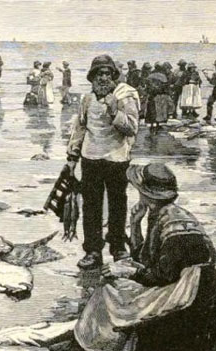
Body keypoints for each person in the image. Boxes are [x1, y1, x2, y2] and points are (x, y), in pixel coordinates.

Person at [74, 163, 216, 351]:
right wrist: (134, 224)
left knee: (111, 290)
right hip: (184, 281)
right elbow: (145, 258)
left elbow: (161, 274)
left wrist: (128, 272)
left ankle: (96, 345)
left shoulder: (170, 221)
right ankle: (99, 341)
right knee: (118, 277)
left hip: (189, 289)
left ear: (147, 194)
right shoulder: (162, 213)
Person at [66, 55, 140, 269]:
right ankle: (93, 251)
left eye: (108, 74)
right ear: (92, 77)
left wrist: (114, 110)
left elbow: (132, 128)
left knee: (118, 204)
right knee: (91, 206)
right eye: (99, 74)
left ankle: (117, 247)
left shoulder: (125, 96)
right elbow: (79, 129)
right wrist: (72, 157)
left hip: (117, 158)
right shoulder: (87, 100)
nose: (103, 78)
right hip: (90, 158)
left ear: (113, 76)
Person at [145, 63, 170, 134]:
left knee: (152, 111)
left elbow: (148, 87)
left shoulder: (150, 76)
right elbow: (165, 87)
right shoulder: (163, 76)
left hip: (152, 96)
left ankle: (152, 126)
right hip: (160, 96)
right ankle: (158, 125)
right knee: (159, 111)